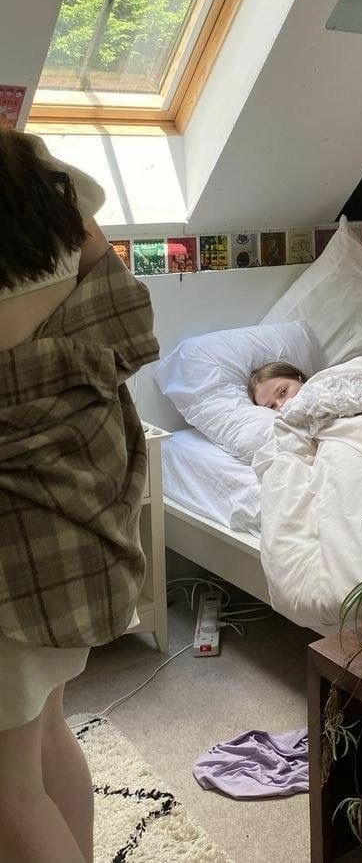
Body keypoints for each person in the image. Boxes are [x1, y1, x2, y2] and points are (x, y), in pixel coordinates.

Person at [0, 129, 158, 863]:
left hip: (16, 549)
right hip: (77, 518)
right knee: (50, 730)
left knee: (9, 791)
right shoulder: (45, 180)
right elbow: (115, 296)